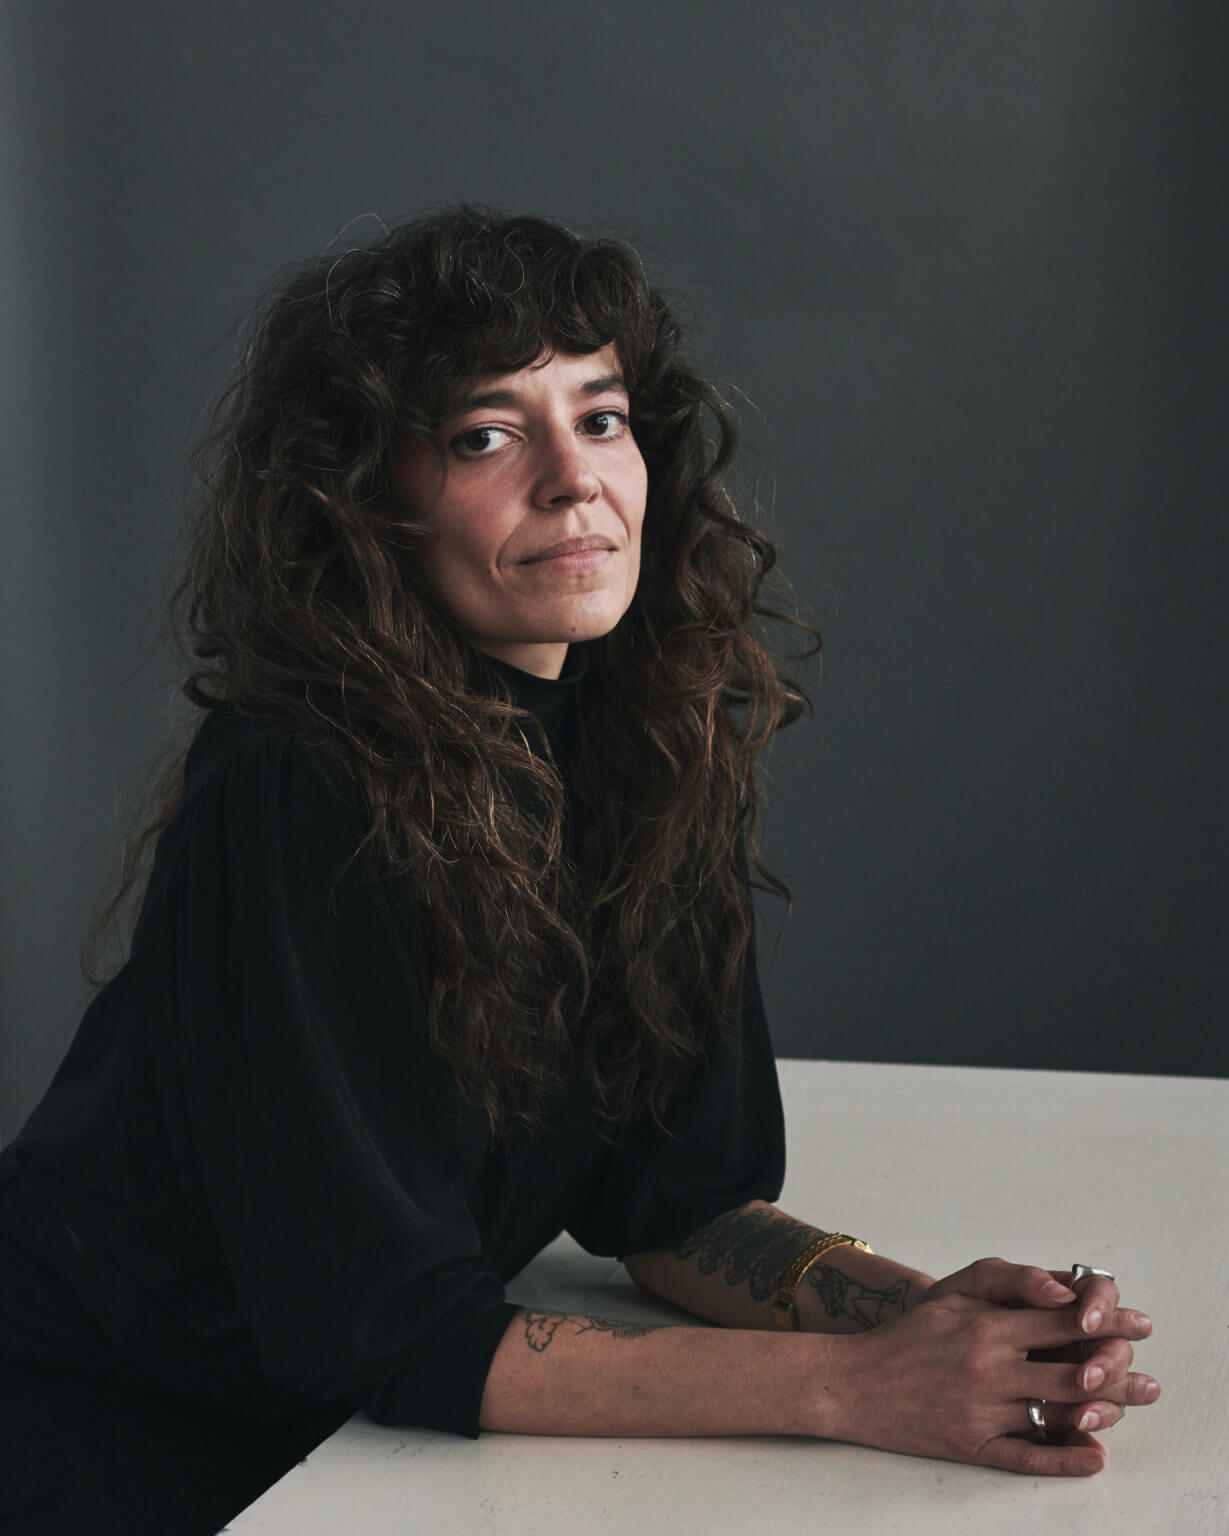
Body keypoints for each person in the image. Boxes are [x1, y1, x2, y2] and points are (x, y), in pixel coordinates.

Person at [0, 202, 1160, 1534]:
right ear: (363, 502)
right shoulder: (300, 781)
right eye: (484, 436)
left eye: (599, 418)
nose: (572, 479)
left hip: (360, 1452)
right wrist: (857, 1387)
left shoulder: (645, 736)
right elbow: (386, 1335)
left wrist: (933, 1319)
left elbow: (672, 1209)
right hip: (110, 1428)